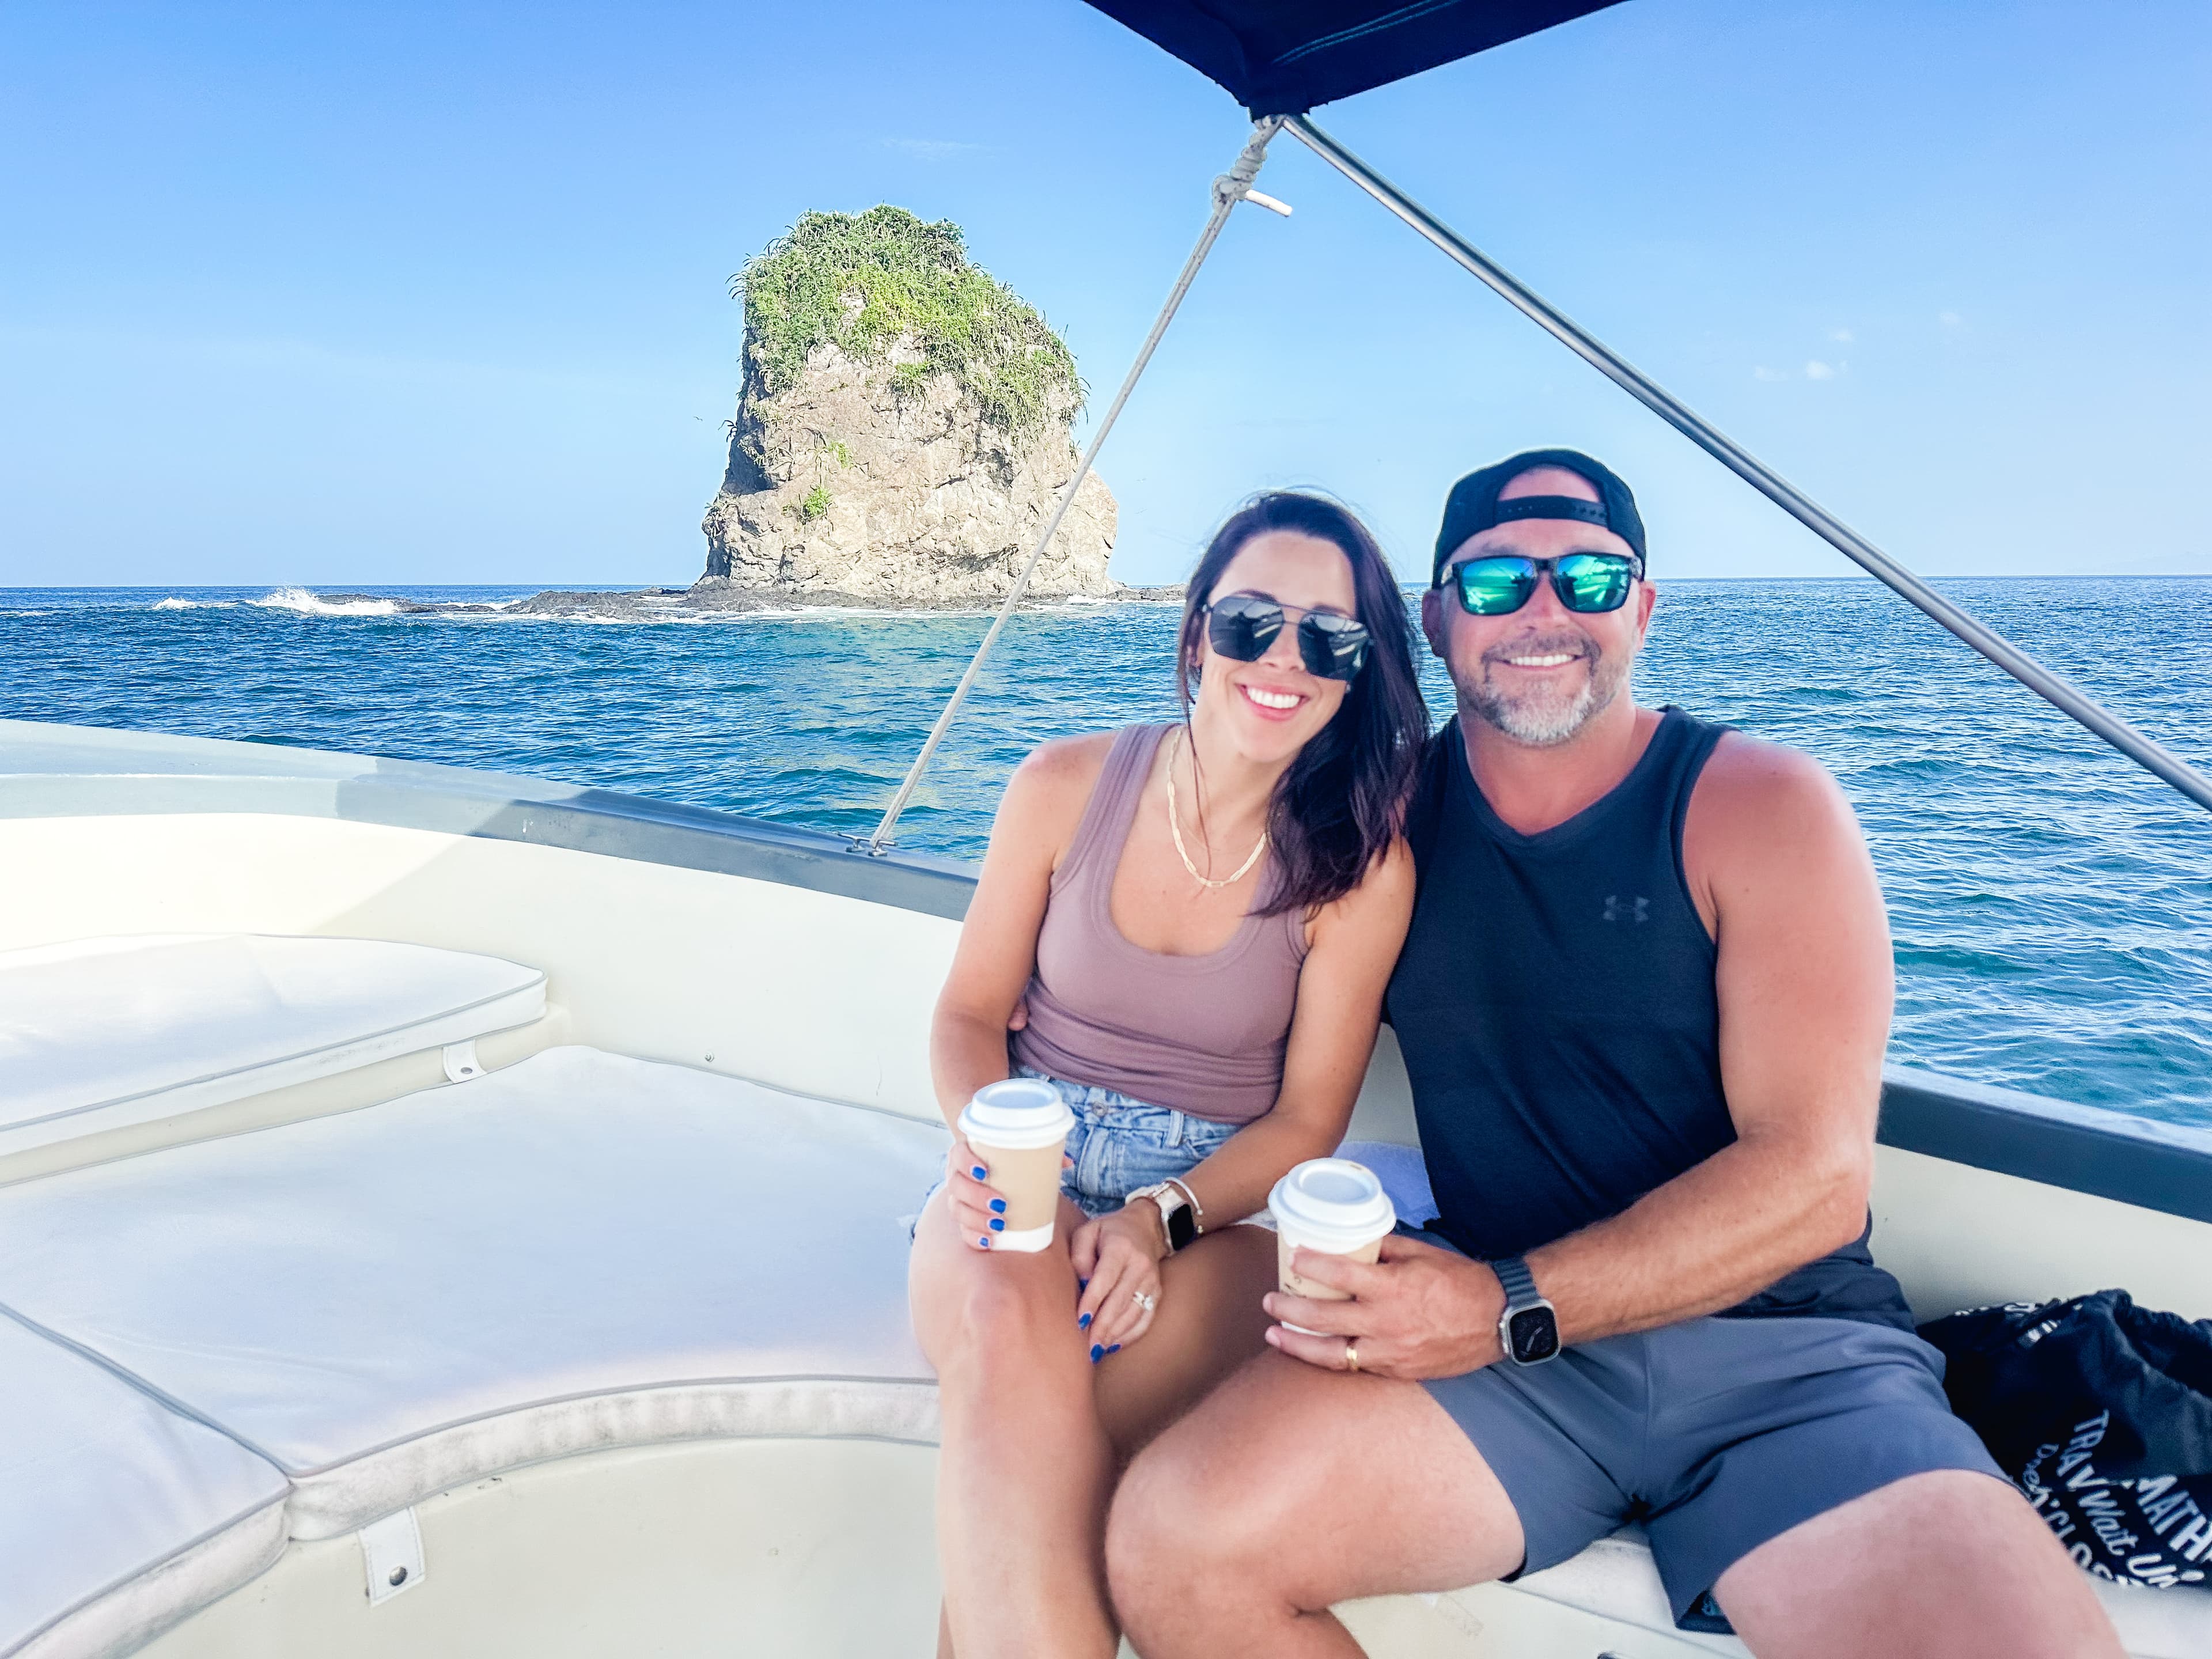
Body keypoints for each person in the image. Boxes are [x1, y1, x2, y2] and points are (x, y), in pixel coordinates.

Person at [1105, 451, 2126, 1658]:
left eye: (1589, 577)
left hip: (1786, 1361)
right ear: (1435, 622)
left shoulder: (1762, 806)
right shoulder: (1383, 835)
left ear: (1641, 608)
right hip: (1511, 1372)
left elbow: (1814, 1177)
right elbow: (1211, 962)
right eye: (1494, 585)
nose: (1545, 612)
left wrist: (1505, 1307)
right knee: (1175, 1546)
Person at [908, 491, 1430, 1659]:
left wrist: (1155, 1219)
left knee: (1032, 1444)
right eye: (1252, 622)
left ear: (1358, 673)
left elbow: (1306, 1122)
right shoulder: (1061, 786)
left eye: (1329, 639)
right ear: (1197, 634)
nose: (1284, 659)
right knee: (1008, 1326)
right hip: (1018, 1154)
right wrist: (989, 1136)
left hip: (1206, 1209)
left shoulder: (1358, 869)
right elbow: (968, 1012)